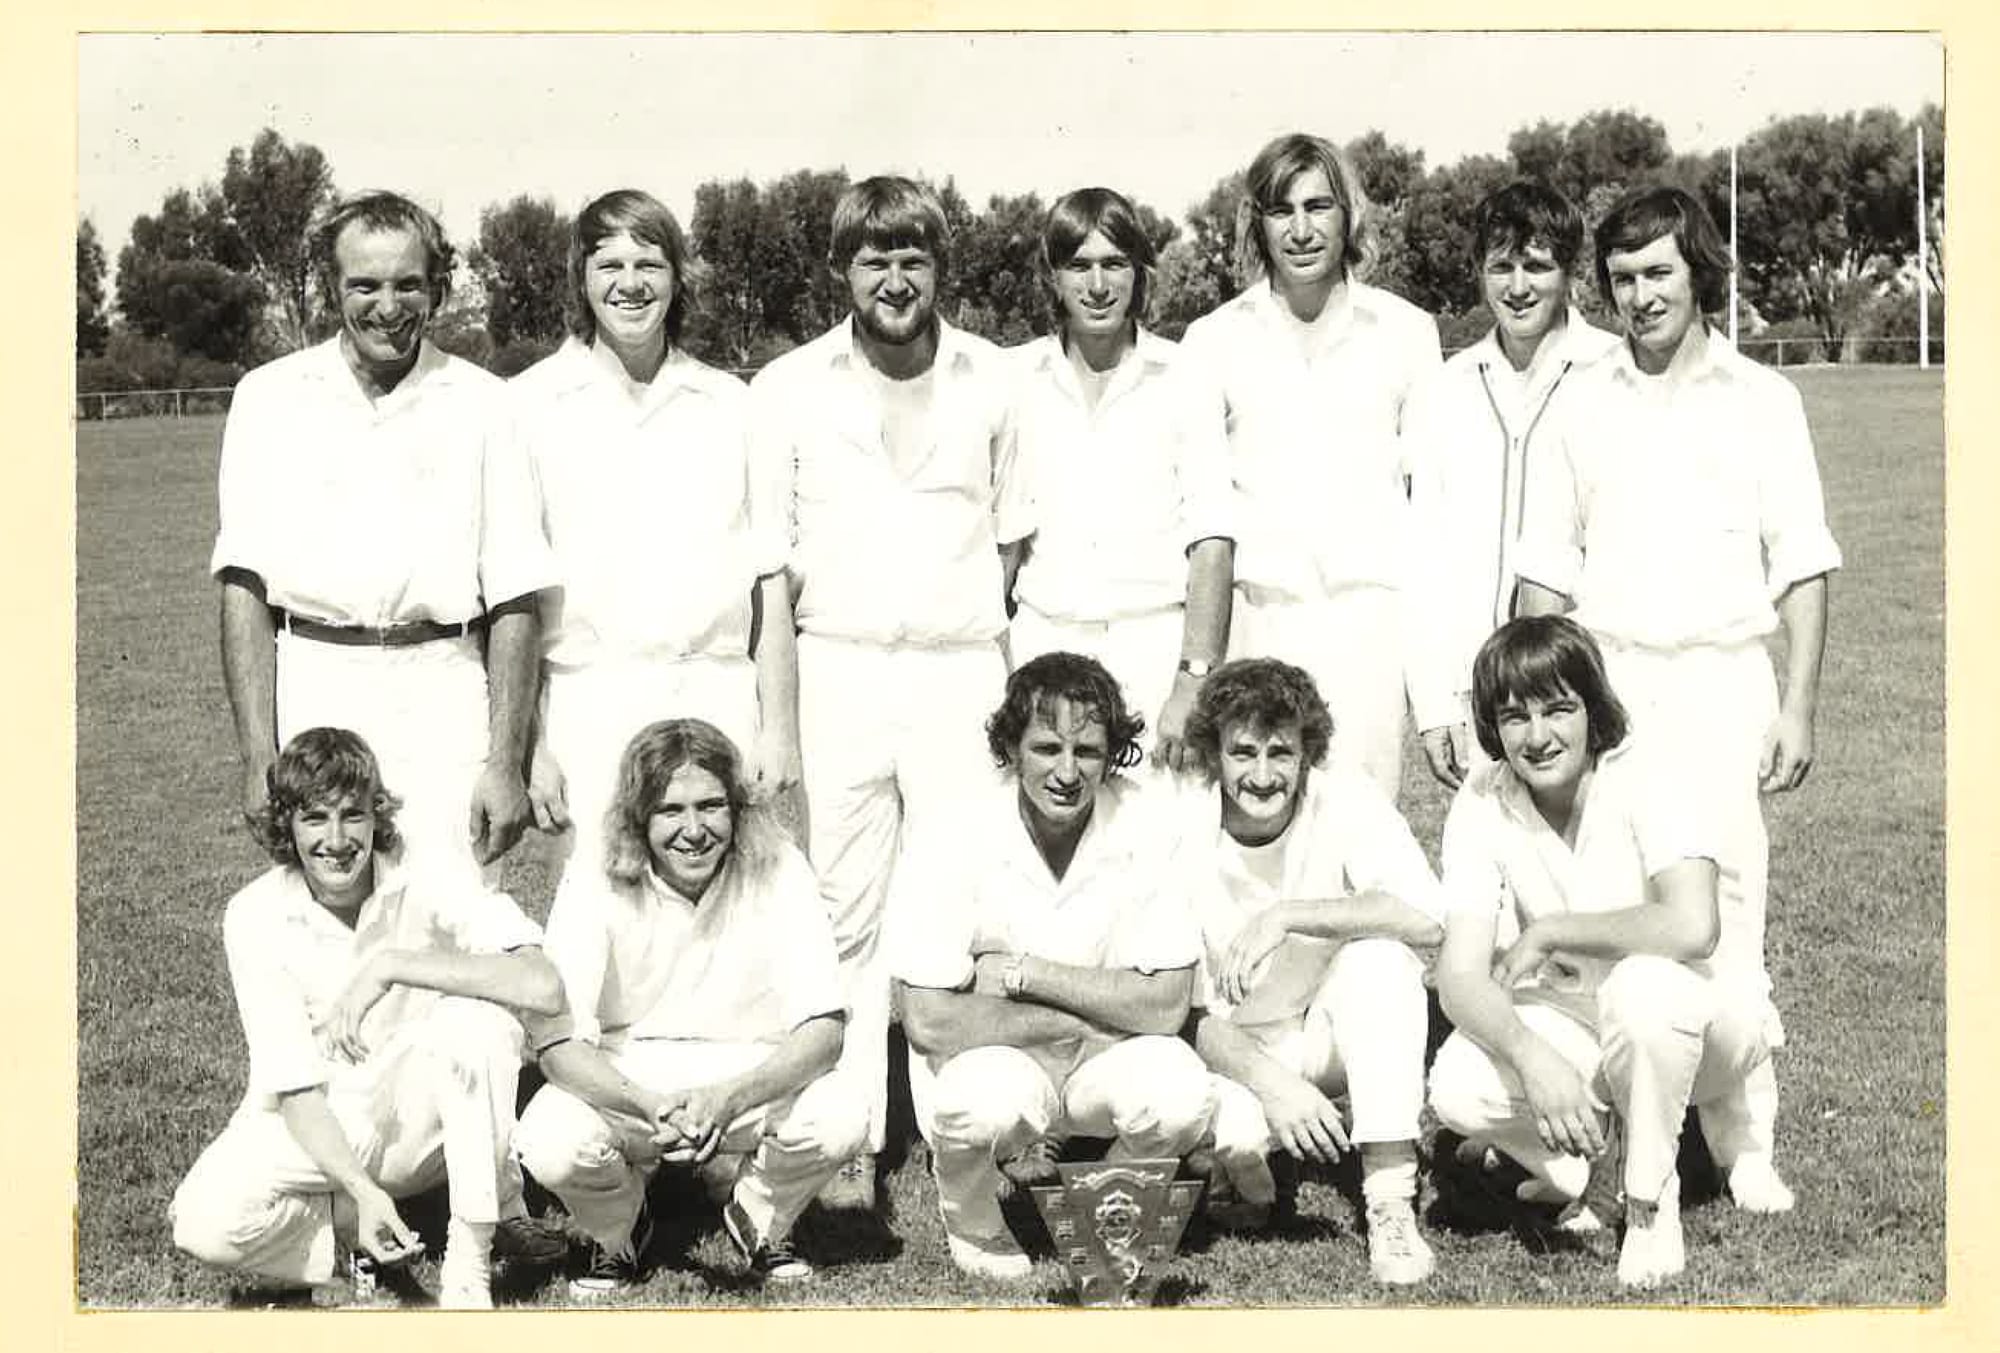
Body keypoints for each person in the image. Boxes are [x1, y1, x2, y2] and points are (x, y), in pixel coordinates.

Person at [1515, 186, 1839, 1212]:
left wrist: (1795, 707)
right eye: (1620, 279)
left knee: (1725, 911)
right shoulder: (1578, 395)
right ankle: (1607, 1139)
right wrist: (1525, 699)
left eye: (1657, 272)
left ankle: (1742, 1141)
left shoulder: (1760, 399)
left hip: (1718, 682)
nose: (1639, 294)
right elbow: (1541, 570)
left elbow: (1801, 566)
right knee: (1597, 909)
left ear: (1698, 270)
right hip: (1602, 687)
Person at [749, 175, 1017, 1209]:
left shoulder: (992, 380)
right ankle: (847, 1139)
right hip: (838, 666)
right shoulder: (786, 387)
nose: (894, 279)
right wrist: (777, 721)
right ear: (840, 271)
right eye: (873, 259)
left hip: (959, 669)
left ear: (939, 268)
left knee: (949, 904)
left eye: (912, 259)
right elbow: (770, 569)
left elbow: (1014, 542)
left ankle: (962, 1142)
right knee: (844, 913)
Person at [1428, 616, 1785, 1287]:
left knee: (1642, 988)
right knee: (1457, 1084)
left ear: (1594, 708)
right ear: (1491, 727)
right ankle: (1598, 1161)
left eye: (1558, 709)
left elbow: (1692, 925)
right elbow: (1459, 975)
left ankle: (1650, 1202)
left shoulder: (1650, 770)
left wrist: (1552, 929)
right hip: (1581, 1024)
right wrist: (1534, 1061)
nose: (1538, 736)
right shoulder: (1483, 797)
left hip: (1706, 1024)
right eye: (1515, 717)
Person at [212, 190, 554, 882]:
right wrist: (257, 756)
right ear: (331, 288)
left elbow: (516, 597)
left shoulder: (488, 403)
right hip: (317, 677)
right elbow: (244, 586)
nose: (388, 306)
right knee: (330, 916)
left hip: (443, 688)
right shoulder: (268, 397)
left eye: (408, 284)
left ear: (438, 288)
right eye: (364, 285)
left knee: (450, 912)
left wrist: (503, 762)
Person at [169, 728, 565, 1309]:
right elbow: (296, 1089)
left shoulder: (426, 871)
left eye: (352, 816)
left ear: (377, 818)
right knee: (202, 1223)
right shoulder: (253, 914)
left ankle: (472, 1257)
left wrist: (393, 965)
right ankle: (353, 1236)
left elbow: (543, 986)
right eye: (314, 819)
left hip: (428, 1114)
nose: (336, 840)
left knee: (478, 1023)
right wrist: (361, 1190)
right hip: (330, 1119)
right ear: (287, 827)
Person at [510, 189, 798, 914]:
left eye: (650, 262)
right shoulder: (527, 405)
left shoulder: (734, 404)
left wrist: (779, 729)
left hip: (715, 692)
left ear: (677, 277)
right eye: (609, 264)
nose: (630, 282)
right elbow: (511, 598)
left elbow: (769, 582)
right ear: (581, 277)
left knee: (730, 913)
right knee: (600, 913)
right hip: (589, 699)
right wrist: (531, 746)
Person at [891, 653, 1214, 1279]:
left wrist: (1021, 975)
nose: (1067, 772)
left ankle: (1106, 1204)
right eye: (1045, 747)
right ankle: (972, 1211)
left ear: (1113, 754)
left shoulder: (1148, 821)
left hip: (1099, 1056)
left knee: (1180, 1093)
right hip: (1012, 1057)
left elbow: (1168, 1004)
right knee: (973, 1106)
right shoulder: (950, 829)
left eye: (1088, 751)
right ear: (1010, 748)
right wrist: (1085, 1014)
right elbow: (928, 1019)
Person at [514, 719, 865, 1294]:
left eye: (711, 806)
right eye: (670, 810)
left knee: (843, 1113)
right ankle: (621, 1229)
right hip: (630, 1072)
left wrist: (731, 1098)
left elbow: (824, 1031)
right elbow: (556, 1047)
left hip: (748, 1069)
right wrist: (647, 1106)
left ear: (738, 808)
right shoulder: (593, 872)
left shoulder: (781, 867)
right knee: (549, 1141)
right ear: (637, 816)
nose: (694, 830)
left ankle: (759, 1216)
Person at [1177, 133, 1442, 800]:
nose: (1301, 230)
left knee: (1358, 834)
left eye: (1319, 207)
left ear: (1348, 215)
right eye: (1281, 210)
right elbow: (1208, 517)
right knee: (1260, 832)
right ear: (1256, 225)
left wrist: (1436, 692)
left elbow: (1433, 518)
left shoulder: (1407, 333)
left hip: (1369, 629)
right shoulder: (1212, 341)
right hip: (1259, 625)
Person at [1173, 658, 1445, 1285]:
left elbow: (1428, 918)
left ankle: (1389, 1197)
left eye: (1281, 753)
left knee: (1380, 962)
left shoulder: (1342, 794)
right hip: (1221, 1049)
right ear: (1214, 754)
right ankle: (1241, 1169)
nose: (1263, 776)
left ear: (1308, 753)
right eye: (1243, 753)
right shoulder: (1180, 822)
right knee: (1233, 1143)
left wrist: (1290, 915)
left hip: (1323, 1032)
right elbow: (1170, 1007)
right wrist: (1274, 1086)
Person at [998, 187, 1233, 770]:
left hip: (1151, 646)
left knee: (1157, 838)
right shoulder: (1011, 378)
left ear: (1139, 272)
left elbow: (1212, 542)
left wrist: (1192, 680)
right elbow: (999, 539)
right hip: (1042, 644)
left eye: (1114, 264)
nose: (1098, 286)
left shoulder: (1186, 376)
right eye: (1079, 266)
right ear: (1053, 277)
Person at [1403, 181, 1622, 789]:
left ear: (1570, 272)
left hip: (1592, 692)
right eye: (1502, 266)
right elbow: (1425, 558)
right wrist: (1432, 704)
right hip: (1484, 698)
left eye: (1537, 266)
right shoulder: (1445, 389)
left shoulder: (1614, 372)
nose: (1518, 287)